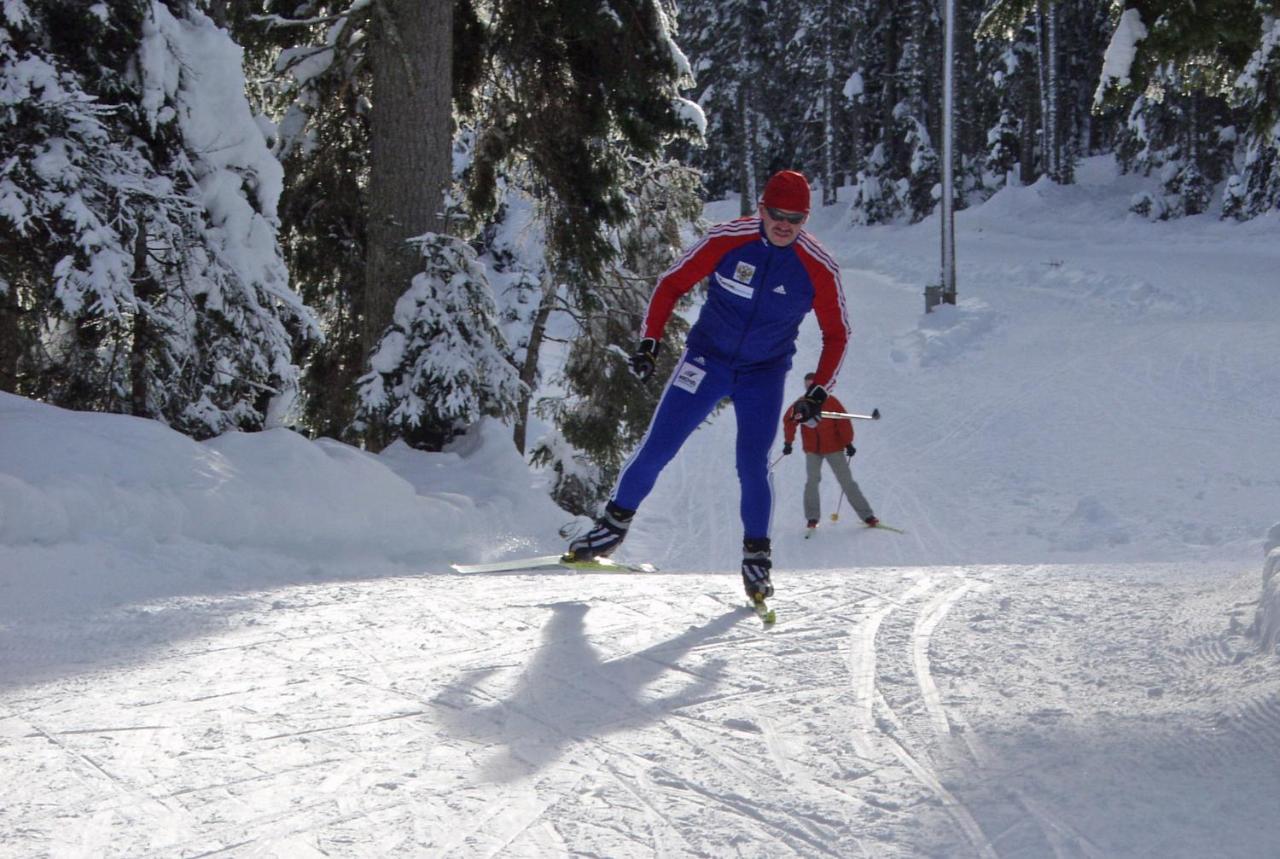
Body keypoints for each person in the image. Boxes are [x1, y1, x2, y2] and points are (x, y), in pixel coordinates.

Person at [565, 170, 850, 604]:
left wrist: (817, 393)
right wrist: (650, 343)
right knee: (659, 445)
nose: (785, 224)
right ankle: (611, 527)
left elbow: (838, 334)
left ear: (805, 218)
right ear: (762, 209)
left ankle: (757, 558)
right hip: (706, 360)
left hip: (764, 373)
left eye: (796, 217)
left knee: (752, 465)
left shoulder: (818, 267)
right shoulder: (728, 239)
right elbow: (671, 284)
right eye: (777, 214)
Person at [781, 372, 879, 530]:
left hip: (833, 447)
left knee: (846, 481)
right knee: (812, 482)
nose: (809, 389)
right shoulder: (800, 403)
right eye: (807, 386)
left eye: (812, 385)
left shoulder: (830, 402)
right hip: (812, 449)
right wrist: (788, 442)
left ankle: (867, 516)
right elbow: (789, 422)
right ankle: (812, 517)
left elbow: (843, 422)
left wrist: (848, 443)